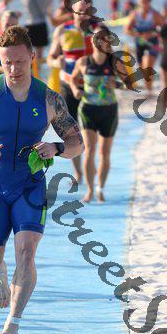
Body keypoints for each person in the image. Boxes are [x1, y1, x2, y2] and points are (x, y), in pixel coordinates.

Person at [0, 25, 84, 334]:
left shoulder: (49, 98)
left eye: (20, 62)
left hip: (30, 185)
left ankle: (13, 321)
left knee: (26, 252)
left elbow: (77, 141)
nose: (13, 69)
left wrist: (57, 148)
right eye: (6, 62)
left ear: (32, 57)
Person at [71, 26, 127, 203]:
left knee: (104, 152)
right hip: (88, 110)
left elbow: (128, 83)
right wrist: (75, 90)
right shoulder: (83, 62)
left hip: (108, 111)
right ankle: (89, 190)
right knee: (89, 149)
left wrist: (116, 85)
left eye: (103, 37)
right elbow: (73, 78)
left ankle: (100, 188)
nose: (99, 40)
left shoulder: (115, 62)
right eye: (96, 36)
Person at [47, 0, 95, 183]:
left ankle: (89, 168)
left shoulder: (97, 31)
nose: (82, 15)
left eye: (86, 12)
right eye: (78, 11)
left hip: (91, 87)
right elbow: (51, 57)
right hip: (68, 85)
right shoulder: (62, 30)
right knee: (72, 132)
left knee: (91, 132)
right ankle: (79, 172)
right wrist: (56, 62)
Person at [125, 0, 164, 94]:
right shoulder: (135, 14)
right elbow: (126, 30)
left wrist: (153, 33)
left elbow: (164, 28)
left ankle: (149, 90)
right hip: (140, 44)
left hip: (153, 43)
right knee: (143, 70)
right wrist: (138, 35)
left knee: (147, 66)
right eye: (141, 2)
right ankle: (149, 90)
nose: (143, 4)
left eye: (144, 2)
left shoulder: (154, 14)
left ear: (149, 2)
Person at [21, 0, 54, 72]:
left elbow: (25, 6)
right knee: (39, 54)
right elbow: (49, 10)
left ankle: (28, 72)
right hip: (41, 24)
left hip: (29, 23)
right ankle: (37, 72)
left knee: (28, 52)